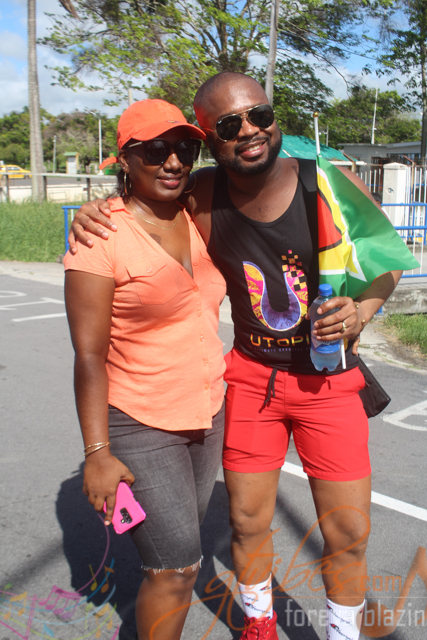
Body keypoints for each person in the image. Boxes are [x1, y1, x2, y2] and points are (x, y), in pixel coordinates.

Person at [69, 73, 402, 640]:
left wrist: (361, 312)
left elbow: (386, 256)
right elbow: (138, 205)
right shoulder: (201, 193)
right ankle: (260, 625)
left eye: (260, 116)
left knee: (348, 531)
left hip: (328, 380)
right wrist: (94, 209)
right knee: (246, 522)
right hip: (249, 383)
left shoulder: (325, 181)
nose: (249, 131)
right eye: (228, 125)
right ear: (211, 138)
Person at [63, 99, 227, 640]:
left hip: (209, 412)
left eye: (184, 148)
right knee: (176, 567)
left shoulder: (195, 210)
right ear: (125, 160)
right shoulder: (101, 236)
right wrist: (97, 452)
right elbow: (89, 355)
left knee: (179, 552)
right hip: (140, 421)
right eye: (155, 150)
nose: (173, 161)